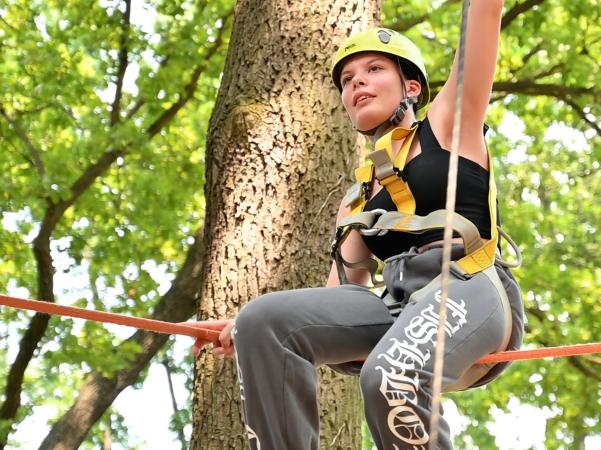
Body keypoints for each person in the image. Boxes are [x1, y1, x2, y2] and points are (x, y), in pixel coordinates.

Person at [195, 3, 523, 449]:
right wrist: (251, 331)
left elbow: (482, 21)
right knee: (263, 321)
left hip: (470, 287)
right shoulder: (360, 197)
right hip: (401, 307)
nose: (357, 83)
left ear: (411, 87)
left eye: (372, 69)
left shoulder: (449, 127)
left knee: (387, 374)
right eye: (348, 81)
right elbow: (336, 301)